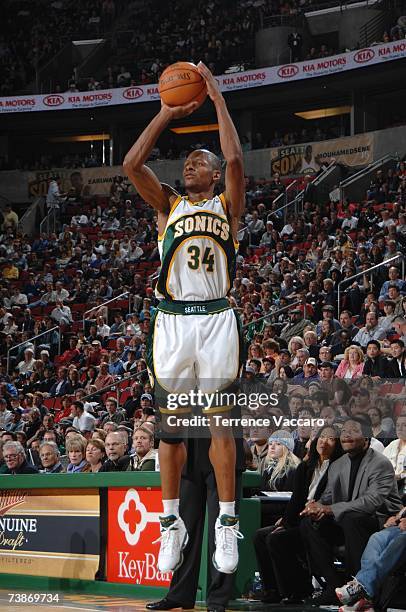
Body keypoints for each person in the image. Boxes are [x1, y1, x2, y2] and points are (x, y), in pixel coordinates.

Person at [123, 62, 245, 574]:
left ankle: (227, 522)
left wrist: (216, 98)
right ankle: (169, 521)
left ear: (214, 174)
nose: (188, 166)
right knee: (171, 428)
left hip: (216, 318)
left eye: (198, 161)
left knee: (219, 424)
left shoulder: (227, 206)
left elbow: (236, 157)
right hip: (172, 320)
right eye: (188, 162)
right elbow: (132, 165)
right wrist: (166, 111)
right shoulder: (168, 205)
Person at [300, 416, 402, 606]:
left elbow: (371, 502)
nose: (346, 436)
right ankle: (333, 585)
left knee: (352, 519)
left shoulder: (380, 463)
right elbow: (328, 496)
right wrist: (317, 508)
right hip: (347, 517)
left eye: (353, 431)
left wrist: (330, 509)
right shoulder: (338, 464)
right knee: (309, 523)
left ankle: (357, 585)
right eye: (344, 432)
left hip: (381, 519)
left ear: (367, 437)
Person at [147, 436, 245, 612]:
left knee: (223, 533)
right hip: (188, 447)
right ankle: (179, 594)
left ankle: (218, 599)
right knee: (183, 526)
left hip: (224, 446)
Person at [254, 425, 343, 605]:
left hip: (319, 522)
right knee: (260, 536)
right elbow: (297, 500)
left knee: (276, 539)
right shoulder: (305, 467)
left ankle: (297, 590)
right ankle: (272, 589)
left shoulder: (338, 467)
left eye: (331, 438)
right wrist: (286, 521)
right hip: (299, 518)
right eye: (322, 437)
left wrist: (288, 524)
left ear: (337, 444)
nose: (324, 442)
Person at [336, 506, 406, 611]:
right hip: (400, 527)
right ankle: (365, 599)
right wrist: (397, 517)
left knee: (400, 541)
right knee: (377, 538)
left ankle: (361, 589)